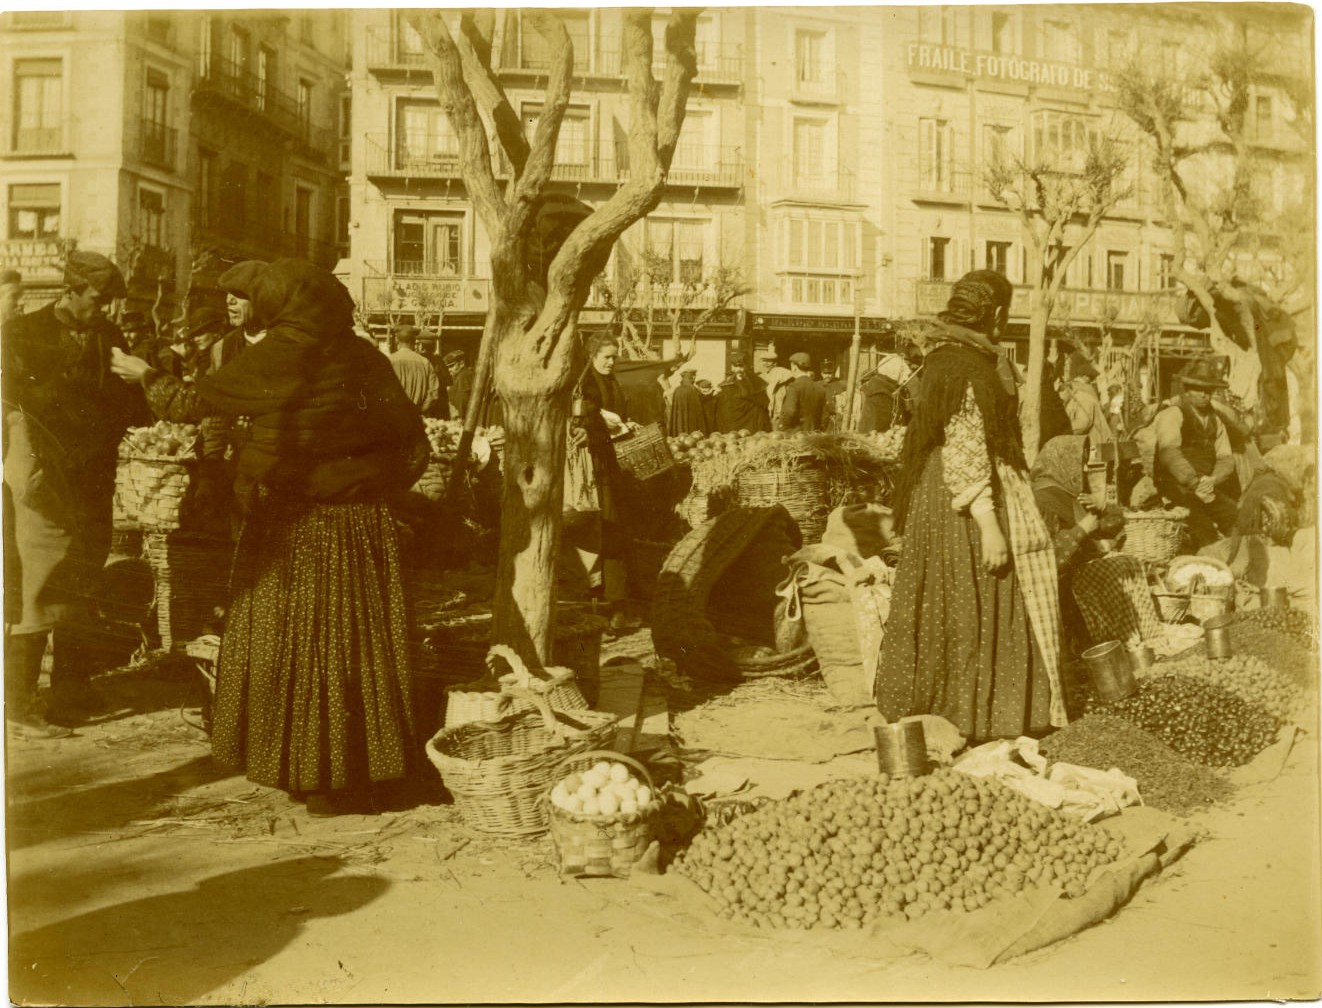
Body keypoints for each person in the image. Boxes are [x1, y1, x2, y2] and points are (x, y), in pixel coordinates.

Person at [109, 259, 429, 815]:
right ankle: (353, 774)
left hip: (291, 522)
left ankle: (307, 773)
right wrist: (367, 486)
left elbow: (191, 405)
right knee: (348, 645)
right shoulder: (363, 356)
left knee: (293, 645)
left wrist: (146, 376)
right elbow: (413, 443)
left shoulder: (285, 351)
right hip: (357, 524)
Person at [877, 269, 1063, 743]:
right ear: (997, 314)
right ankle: (976, 715)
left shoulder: (947, 356)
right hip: (965, 498)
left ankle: (947, 706)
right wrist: (990, 525)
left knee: (945, 601)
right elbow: (964, 446)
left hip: (937, 497)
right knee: (980, 592)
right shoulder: (967, 366)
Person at [3, 251, 149, 735]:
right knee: (40, 581)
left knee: (84, 581)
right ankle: (19, 706)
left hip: (93, 478)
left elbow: (127, 401)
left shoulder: (108, 335)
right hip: (45, 477)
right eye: (97, 299)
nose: (104, 308)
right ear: (71, 290)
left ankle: (68, 691)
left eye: (109, 300)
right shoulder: (24, 333)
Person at [567, 336, 639, 633]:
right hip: (590, 470)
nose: (612, 362)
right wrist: (591, 430)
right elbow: (580, 424)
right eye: (607, 357)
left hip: (609, 463)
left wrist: (624, 425)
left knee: (612, 532)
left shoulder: (610, 382)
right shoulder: (585, 384)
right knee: (603, 531)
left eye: (614, 357)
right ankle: (608, 604)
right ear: (592, 356)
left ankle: (613, 604)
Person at [1030, 435, 1126, 658]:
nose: (1083, 467)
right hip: (1061, 587)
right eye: (1080, 460)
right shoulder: (1042, 497)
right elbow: (1047, 557)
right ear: (1063, 460)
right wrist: (1081, 530)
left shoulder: (1065, 491)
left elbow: (1109, 527)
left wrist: (1103, 506)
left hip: (1075, 575)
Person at [1152, 358, 1239, 548]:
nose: (1204, 395)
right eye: (1198, 389)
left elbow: (1226, 457)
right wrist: (1193, 482)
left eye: (1208, 390)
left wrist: (1213, 479)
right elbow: (1169, 454)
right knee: (1203, 531)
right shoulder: (1173, 414)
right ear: (1187, 390)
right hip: (1176, 488)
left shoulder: (1216, 420)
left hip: (1206, 486)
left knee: (1236, 518)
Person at [211, 260, 269, 372]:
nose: (229, 300)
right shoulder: (221, 348)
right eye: (228, 293)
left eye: (238, 294)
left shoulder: (286, 346)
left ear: (262, 299)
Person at [1062, 353, 1113, 447]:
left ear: (1084, 378)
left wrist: (1063, 431)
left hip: (1095, 445)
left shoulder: (1084, 397)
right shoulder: (1077, 396)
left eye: (1073, 383)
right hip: (1089, 444)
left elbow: (1083, 424)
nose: (1069, 387)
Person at [388, 324, 441, 416]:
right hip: (416, 416)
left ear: (397, 340)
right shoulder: (425, 363)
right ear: (414, 340)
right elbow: (433, 393)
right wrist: (421, 411)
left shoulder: (389, 361)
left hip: (393, 416)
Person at [713, 353, 770, 433]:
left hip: (751, 419)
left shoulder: (755, 381)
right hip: (733, 421)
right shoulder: (728, 382)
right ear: (732, 367)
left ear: (746, 366)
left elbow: (763, 401)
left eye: (741, 366)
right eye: (736, 367)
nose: (739, 369)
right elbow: (722, 403)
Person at [859, 353, 913, 433]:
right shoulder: (881, 392)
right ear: (893, 371)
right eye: (901, 372)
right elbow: (878, 426)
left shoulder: (886, 387)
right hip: (875, 438)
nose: (905, 377)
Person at [778, 352, 828, 432]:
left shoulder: (794, 387)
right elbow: (825, 415)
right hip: (814, 436)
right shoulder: (820, 388)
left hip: (796, 436)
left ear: (794, 367)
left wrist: (782, 427)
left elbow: (789, 412)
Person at [666, 367, 708, 436]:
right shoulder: (692, 389)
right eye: (693, 376)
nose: (694, 379)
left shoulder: (677, 390)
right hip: (692, 422)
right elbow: (701, 401)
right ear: (691, 377)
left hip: (680, 422)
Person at [758, 350, 793, 428]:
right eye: (764, 361)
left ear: (774, 363)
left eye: (769, 361)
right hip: (767, 410)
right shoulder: (762, 375)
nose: (766, 364)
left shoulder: (781, 373)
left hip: (778, 408)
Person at [444, 349, 473, 420]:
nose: (449, 369)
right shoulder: (459, 376)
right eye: (448, 367)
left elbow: (462, 400)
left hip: (462, 418)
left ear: (462, 364)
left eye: (452, 366)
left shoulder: (463, 376)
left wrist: (460, 418)